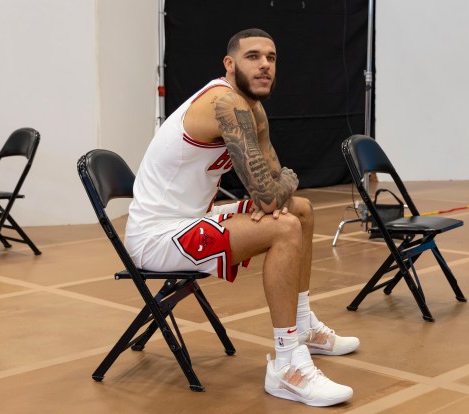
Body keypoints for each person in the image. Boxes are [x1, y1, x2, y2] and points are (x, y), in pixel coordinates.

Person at [125, 28, 359, 407]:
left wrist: (281, 185)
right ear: (230, 64)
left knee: (300, 210)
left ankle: (303, 327)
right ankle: (287, 366)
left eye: (271, 57)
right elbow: (270, 194)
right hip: (156, 236)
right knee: (283, 226)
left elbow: (276, 189)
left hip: (189, 220)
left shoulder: (253, 108)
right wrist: (286, 181)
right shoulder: (224, 103)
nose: (265, 65)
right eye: (253, 56)